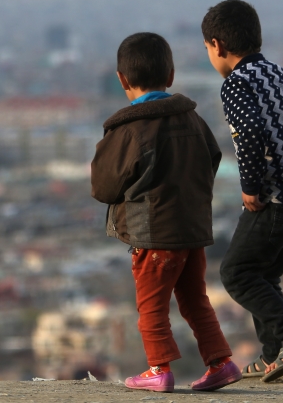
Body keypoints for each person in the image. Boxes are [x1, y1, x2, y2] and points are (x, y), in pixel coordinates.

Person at [91, 32, 243, 393]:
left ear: (122, 80)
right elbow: (213, 159)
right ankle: (221, 363)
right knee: (195, 301)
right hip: (192, 231)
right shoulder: (193, 120)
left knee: (151, 307)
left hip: (153, 235)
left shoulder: (128, 129)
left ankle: (158, 370)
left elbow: (103, 187)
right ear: (171, 75)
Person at [201, 0, 283, 382]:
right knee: (264, 274)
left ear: (218, 46)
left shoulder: (236, 84)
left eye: (208, 50)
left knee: (237, 273)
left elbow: (250, 136)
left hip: (276, 199)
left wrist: (251, 187)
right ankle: (275, 355)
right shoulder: (280, 74)